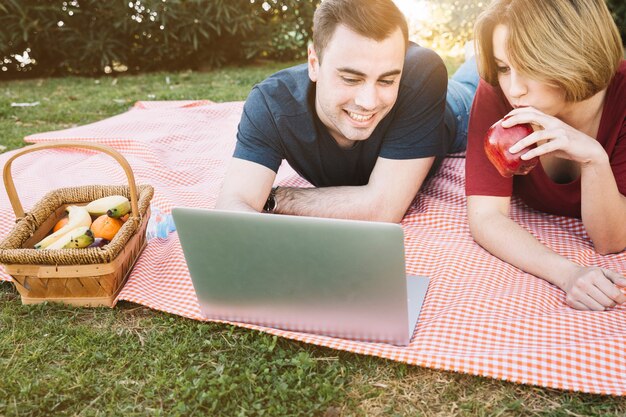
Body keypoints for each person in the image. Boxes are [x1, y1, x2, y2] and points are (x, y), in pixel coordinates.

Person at [216, 0, 478, 222]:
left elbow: (383, 207)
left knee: (478, 77)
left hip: (457, 111)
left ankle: (476, 56)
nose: (368, 101)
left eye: (387, 80)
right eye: (351, 79)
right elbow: (233, 205)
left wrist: (273, 198)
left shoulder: (422, 73)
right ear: (314, 63)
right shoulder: (271, 104)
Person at [465, 0, 626, 311]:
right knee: (455, 102)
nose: (514, 90)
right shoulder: (497, 92)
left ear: (573, 55)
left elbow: (611, 240)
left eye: (529, 66)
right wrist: (567, 273)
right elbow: (486, 216)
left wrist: (594, 159)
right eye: (504, 67)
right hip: (467, 99)